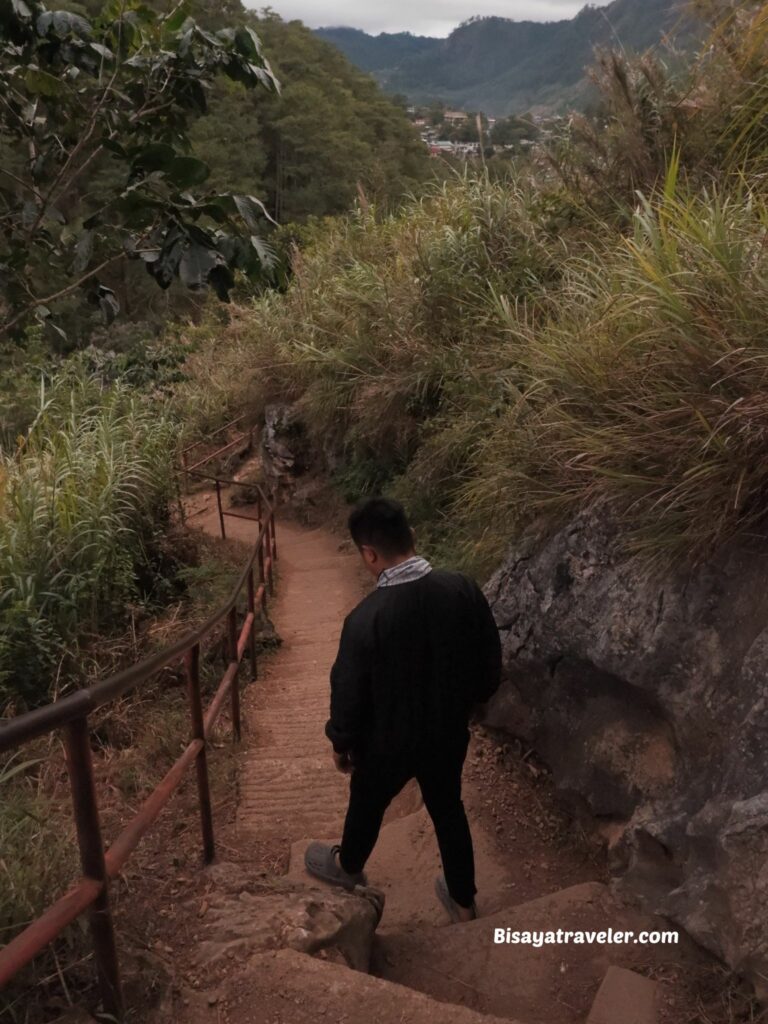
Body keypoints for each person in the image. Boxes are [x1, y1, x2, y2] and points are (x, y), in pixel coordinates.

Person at [304, 497, 502, 922]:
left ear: (369, 554)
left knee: (368, 802)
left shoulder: (365, 619)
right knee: (448, 806)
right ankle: (463, 900)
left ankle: (349, 867)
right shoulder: (462, 589)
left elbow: (348, 691)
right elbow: (489, 660)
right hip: (448, 732)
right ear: (412, 537)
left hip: (385, 745)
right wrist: (472, 704)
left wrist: (342, 742)